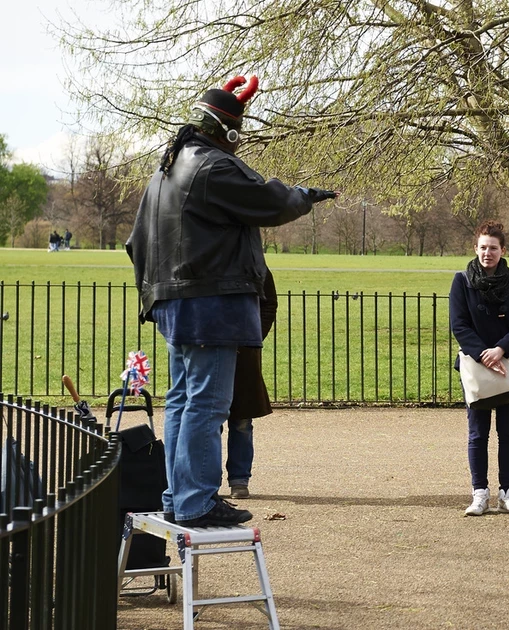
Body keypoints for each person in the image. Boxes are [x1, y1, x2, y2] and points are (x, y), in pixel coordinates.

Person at [127, 75, 336, 527]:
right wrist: (304, 197)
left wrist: (154, 293)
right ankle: (197, 502)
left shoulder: (164, 170)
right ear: (228, 132)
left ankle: (178, 497)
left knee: (182, 401)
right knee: (205, 404)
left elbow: (134, 243)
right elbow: (267, 200)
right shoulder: (213, 166)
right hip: (211, 304)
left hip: (173, 303)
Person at [450, 220, 509, 517]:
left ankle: (508, 492)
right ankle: (479, 493)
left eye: (493, 248)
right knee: (478, 433)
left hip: (508, 362)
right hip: (476, 365)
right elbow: (458, 324)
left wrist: (500, 350)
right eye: (483, 247)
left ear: (503, 251)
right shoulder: (462, 281)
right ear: (475, 249)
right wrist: (484, 355)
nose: (488, 253)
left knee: (508, 432)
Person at [225, 269, 277, 499]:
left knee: (242, 421)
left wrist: (255, 336)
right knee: (207, 421)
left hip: (243, 350)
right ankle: (206, 482)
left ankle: (239, 479)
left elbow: (269, 303)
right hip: (209, 346)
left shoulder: (255, 264)